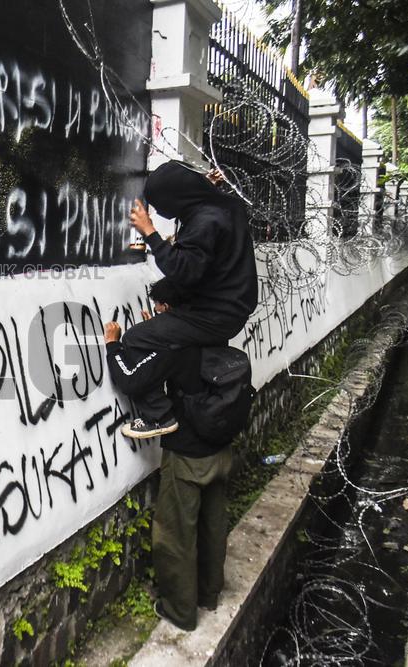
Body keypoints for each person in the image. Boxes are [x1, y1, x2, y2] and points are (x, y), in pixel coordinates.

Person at [103, 283, 233, 632]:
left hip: (188, 456)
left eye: (161, 307)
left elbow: (131, 380)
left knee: (175, 535)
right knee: (213, 526)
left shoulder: (173, 345)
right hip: (220, 446)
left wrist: (114, 345)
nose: (159, 313)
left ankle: (179, 611)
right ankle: (209, 594)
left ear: (170, 308)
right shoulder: (213, 329)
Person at [121, 160, 258, 439]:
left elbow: (184, 271)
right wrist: (205, 185)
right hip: (230, 308)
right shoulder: (226, 206)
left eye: (161, 204)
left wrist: (150, 232)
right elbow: (205, 259)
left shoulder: (205, 221)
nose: (158, 210)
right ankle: (198, 412)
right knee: (184, 352)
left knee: (136, 339)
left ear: (176, 198)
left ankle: (158, 415)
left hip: (214, 314)